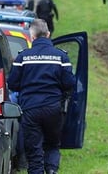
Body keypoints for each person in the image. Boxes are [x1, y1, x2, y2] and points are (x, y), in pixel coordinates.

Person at [7, 19, 75, 174]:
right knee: (52, 144)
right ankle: (51, 170)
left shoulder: (23, 57)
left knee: (34, 151)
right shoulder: (61, 57)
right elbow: (69, 83)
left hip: (30, 109)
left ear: (32, 36)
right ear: (48, 34)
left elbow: (12, 84)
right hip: (53, 109)